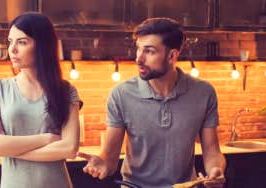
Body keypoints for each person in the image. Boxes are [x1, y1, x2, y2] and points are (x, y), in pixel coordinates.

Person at [78, 18, 226, 188]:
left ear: (172, 56)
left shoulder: (203, 93)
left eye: (149, 51)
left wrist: (216, 169)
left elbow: (212, 150)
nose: (138, 59)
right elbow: (109, 159)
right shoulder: (121, 94)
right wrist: (103, 163)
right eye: (138, 49)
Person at [0, 12, 82, 188]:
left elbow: (69, 148)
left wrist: (10, 149)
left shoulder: (65, 91)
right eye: (11, 41)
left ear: (42, 46)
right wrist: (47, 138)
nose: (12, 49)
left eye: (22, 42)